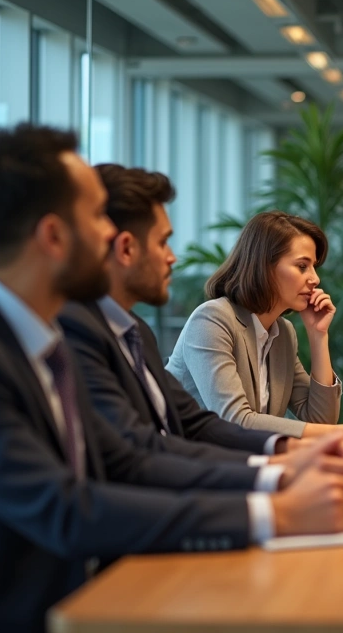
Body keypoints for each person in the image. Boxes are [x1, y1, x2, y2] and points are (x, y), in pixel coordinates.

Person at [0, 124, 343, 633]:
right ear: (52, 235)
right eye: (97, 217)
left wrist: (278, 474)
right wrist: (276, 513)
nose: (112, 235)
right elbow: (63, 507)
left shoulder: (37, 332)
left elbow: (131, 454)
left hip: (93, 591)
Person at [60, 164, 313, 466]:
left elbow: (195, 424)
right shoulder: (79, 331)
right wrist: (274, 477)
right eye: (162, 242)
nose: (172, 257)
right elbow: (228, 422)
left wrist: (287, 458)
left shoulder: (136, 331)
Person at [166, 212, 343, 448]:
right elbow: (234, 421)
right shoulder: (212, 319)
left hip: (244, 464)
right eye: (302, 266)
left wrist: (318, 336)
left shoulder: (282, 332)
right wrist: (342, 435)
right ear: (264, 266)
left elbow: (320, 420)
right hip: (185, 466)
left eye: (314, 267)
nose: (315, 279)